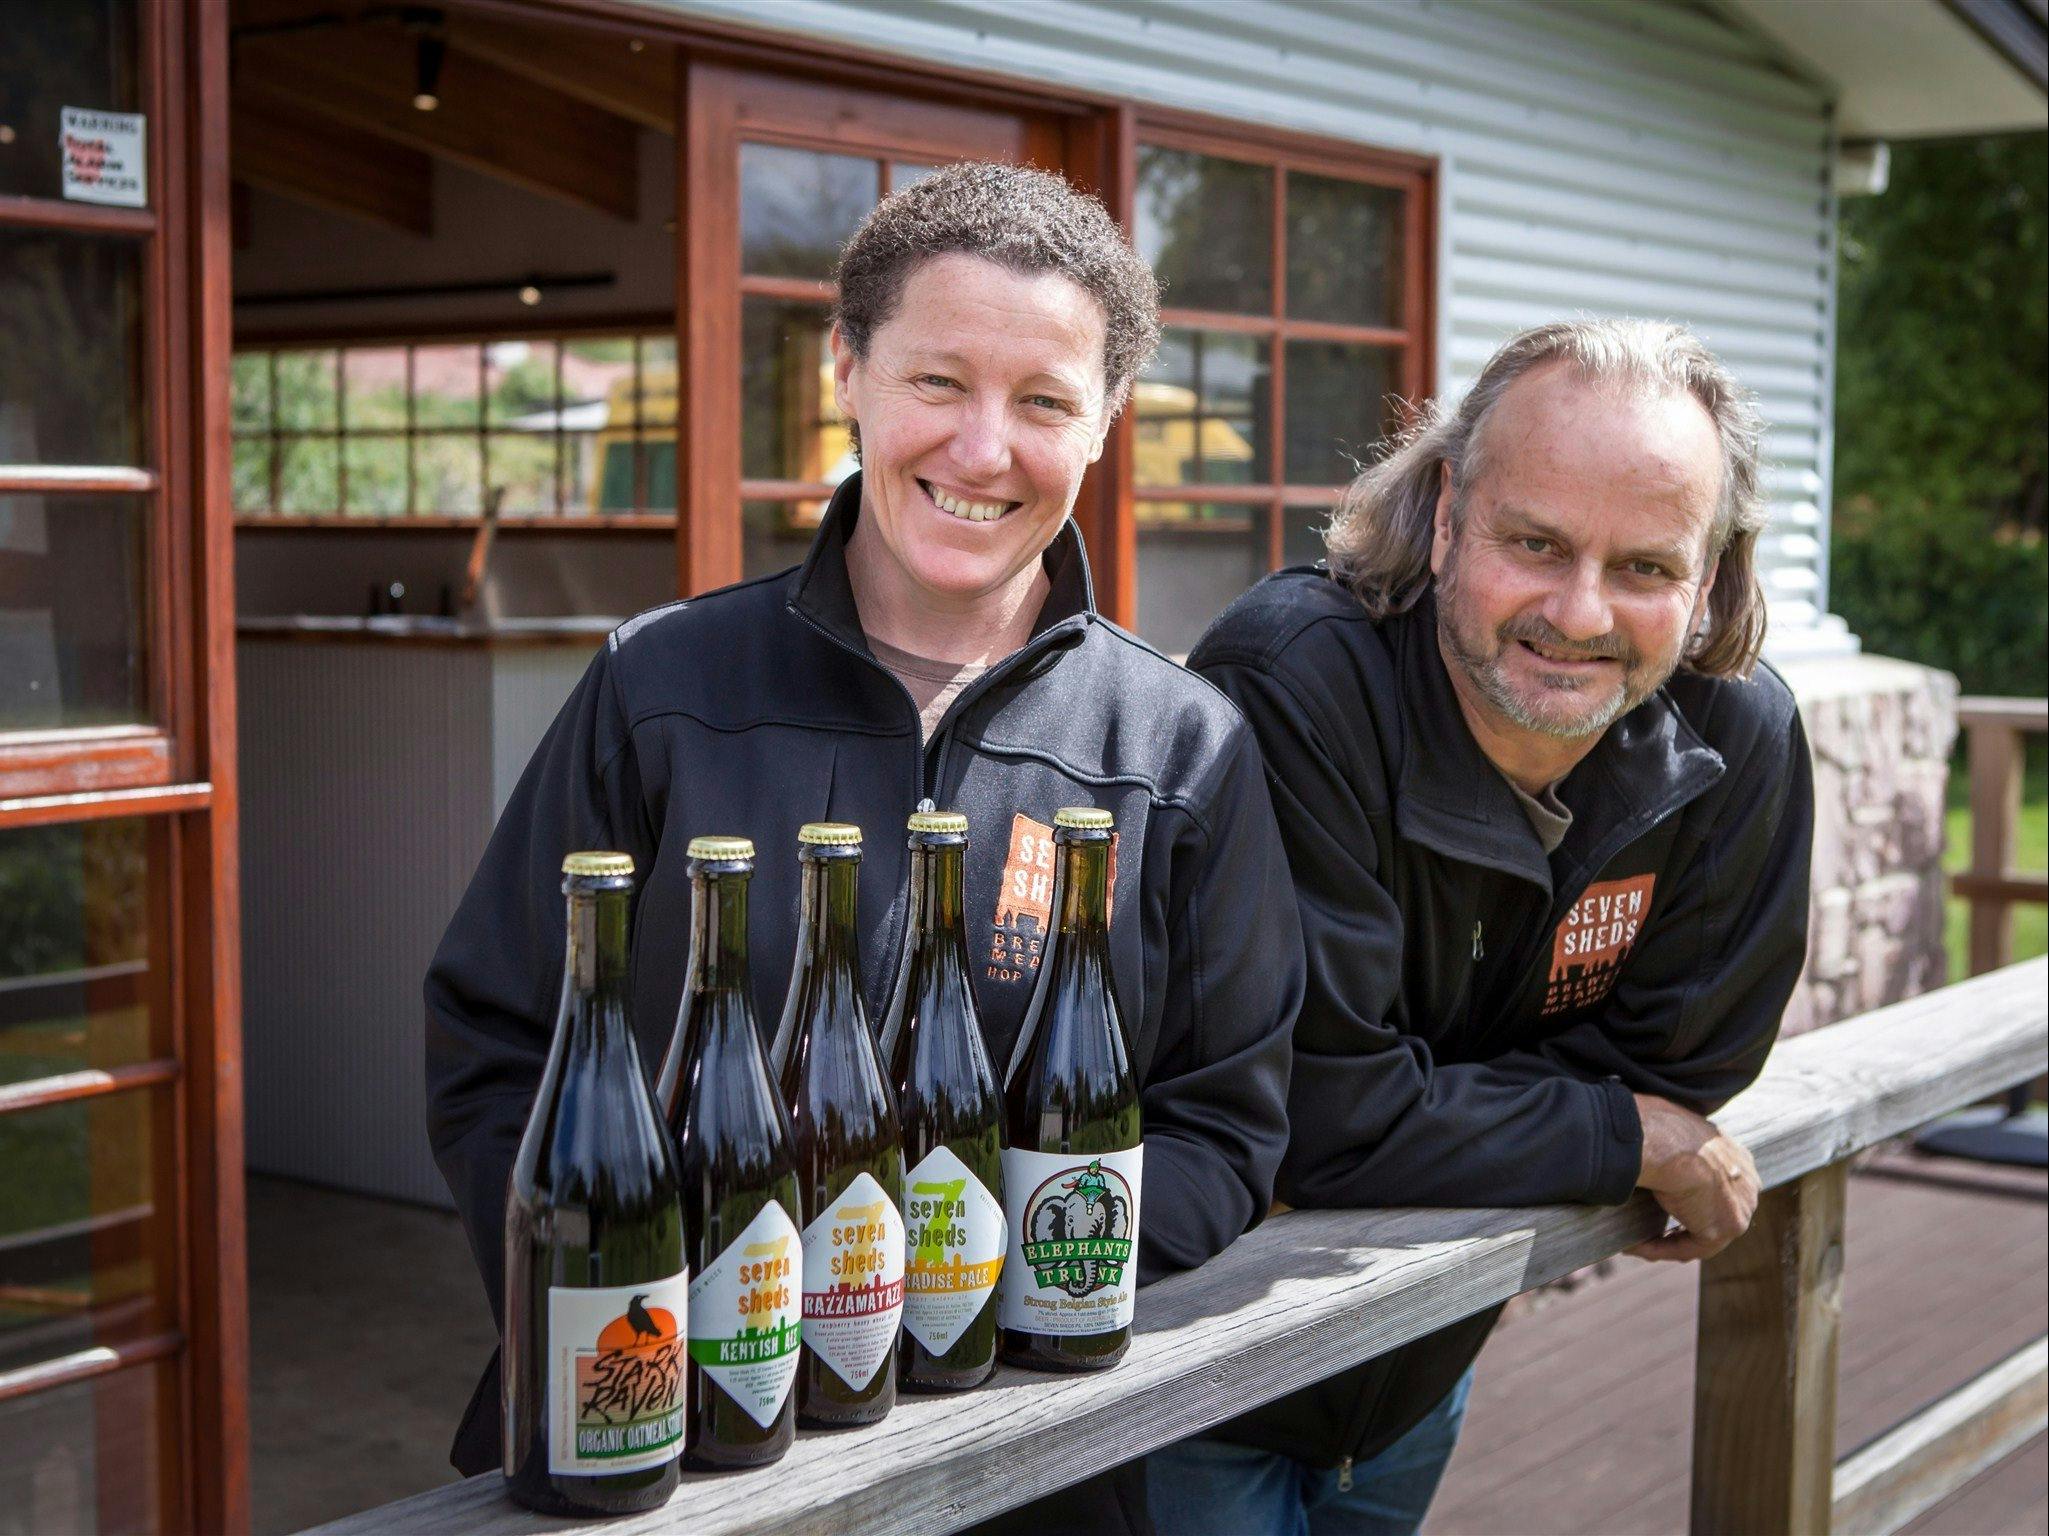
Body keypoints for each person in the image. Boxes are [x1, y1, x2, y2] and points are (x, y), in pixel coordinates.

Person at [423, 162, 1304, 1525]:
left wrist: (927, 1297)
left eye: (1045, 403)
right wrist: (668, 1317)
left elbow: (1226, 1131)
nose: (982, 449)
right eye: (938, 382)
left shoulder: (1179, 750)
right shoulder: (661, 691)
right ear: (846, 368)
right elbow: (492, 1046)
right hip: (668, 1454)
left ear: (1107, 423)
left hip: (1017, 1459)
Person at [1157, 319, 1815, 1535]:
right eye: (1536, 542)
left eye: (1646, 568)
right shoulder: (1295, 681)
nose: (1578, 612)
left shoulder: (1740, 734)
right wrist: (1627, 1134)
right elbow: (1315, 1113)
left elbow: (1694, 1063)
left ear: (1713, 575)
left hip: (1423, 1357)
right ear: (1450, 512)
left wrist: (1450, 1112)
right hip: (1191, 1376)